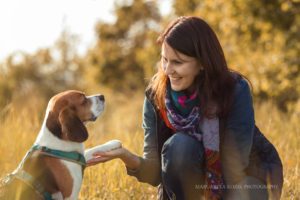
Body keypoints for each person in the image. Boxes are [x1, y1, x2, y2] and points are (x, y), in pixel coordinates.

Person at [87, 16, 283, 200]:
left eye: (177, 62)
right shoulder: (156, 95)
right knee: (179, 147)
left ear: (203, 63)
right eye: (164, 59)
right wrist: (124, 155)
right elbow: (156, 173)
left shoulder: (234, 89)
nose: (168, 70)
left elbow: (235, 164)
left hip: (243, 178)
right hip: (191, 185)